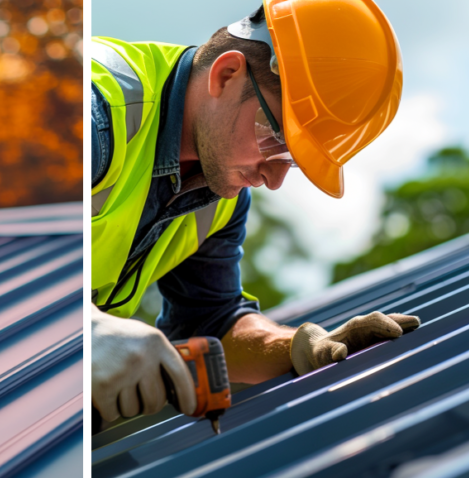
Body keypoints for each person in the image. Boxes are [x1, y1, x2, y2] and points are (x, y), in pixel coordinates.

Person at [91, 0, 417, 427]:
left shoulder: (220, 200)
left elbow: (210, 324)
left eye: (293, 161)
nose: (275, 179)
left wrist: (297, 348)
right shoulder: (94, 113)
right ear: (227, 74)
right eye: (275, 140)